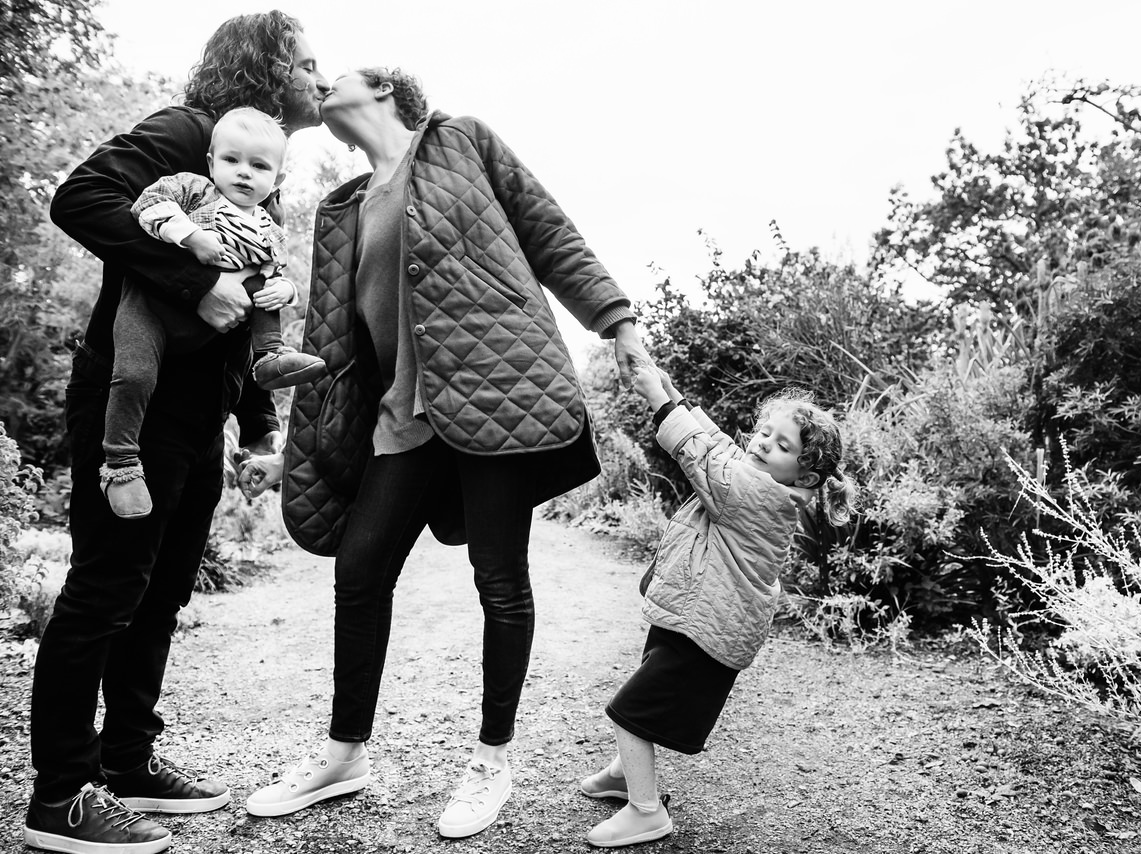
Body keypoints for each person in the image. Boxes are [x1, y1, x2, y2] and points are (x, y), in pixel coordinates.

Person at [234, 67, 649, 838]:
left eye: (338, 76)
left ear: (386, 90)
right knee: (359, 573)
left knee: (498, 580)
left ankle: (492, 759)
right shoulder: (342, 205)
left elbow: (546, 229)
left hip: (493, 396)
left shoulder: (460, 141)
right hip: (400, 418)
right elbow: (335, 336)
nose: (320, 83)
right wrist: (298, 429)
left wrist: (617, 322)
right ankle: (343, 752)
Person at [26, 12, 329, 854]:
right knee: (106, 588)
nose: (318, 78)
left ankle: (127, 762)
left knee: (160, 595)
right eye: (308, 63)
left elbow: (245, 309)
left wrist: (248, 422)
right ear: (268, 70)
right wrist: (194, 283)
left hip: (197, 419)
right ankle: (59, 798)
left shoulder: (256, 172)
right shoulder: (186, 135)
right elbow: (79, 196)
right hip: (133, 404)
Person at [578, 367, 852, 848]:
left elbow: (700, 456)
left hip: (708, 630)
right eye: (765, 432)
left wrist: (660, 404)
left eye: (782, 446)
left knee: (631, 709)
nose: (764, 443)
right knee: (648, 698)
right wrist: (672, 391)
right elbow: (718, 444)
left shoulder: (759, 495)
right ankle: (628, 774)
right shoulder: (754, 475)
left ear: (804, 475)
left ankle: (646, 812)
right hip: (694, 614)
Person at [100, 107, 324, 520]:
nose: (243, 173)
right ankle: (121, 465)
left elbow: (273, 273)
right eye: (231, 160)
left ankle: (271, 357)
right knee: (133, 375)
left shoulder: (268, 228)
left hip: (203, 340)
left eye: (258, 166)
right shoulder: (192, 188)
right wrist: (190, 235)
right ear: (211, 163)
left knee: (264, 288)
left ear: (276, 180)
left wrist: (286, 289)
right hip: (151, 309)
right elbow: (148, 205)